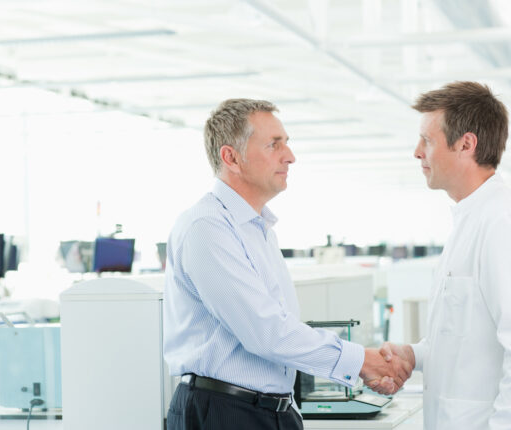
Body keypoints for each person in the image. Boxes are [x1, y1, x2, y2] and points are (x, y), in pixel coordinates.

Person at [163, 98, 412, 430]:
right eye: (274, 145)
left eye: (287, 144)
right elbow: (266, 332)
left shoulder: (258, 230)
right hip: (225, 413)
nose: (290, 156)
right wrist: (360, 360)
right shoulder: (207, 228)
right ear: (231, 157)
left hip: (270, 410)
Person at [379, 81, 511, 429]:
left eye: (427, 140)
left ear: (466, 144)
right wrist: (413, 355)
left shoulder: (503, 223)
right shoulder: (471, 220)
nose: (417, 152)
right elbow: (463, 342)